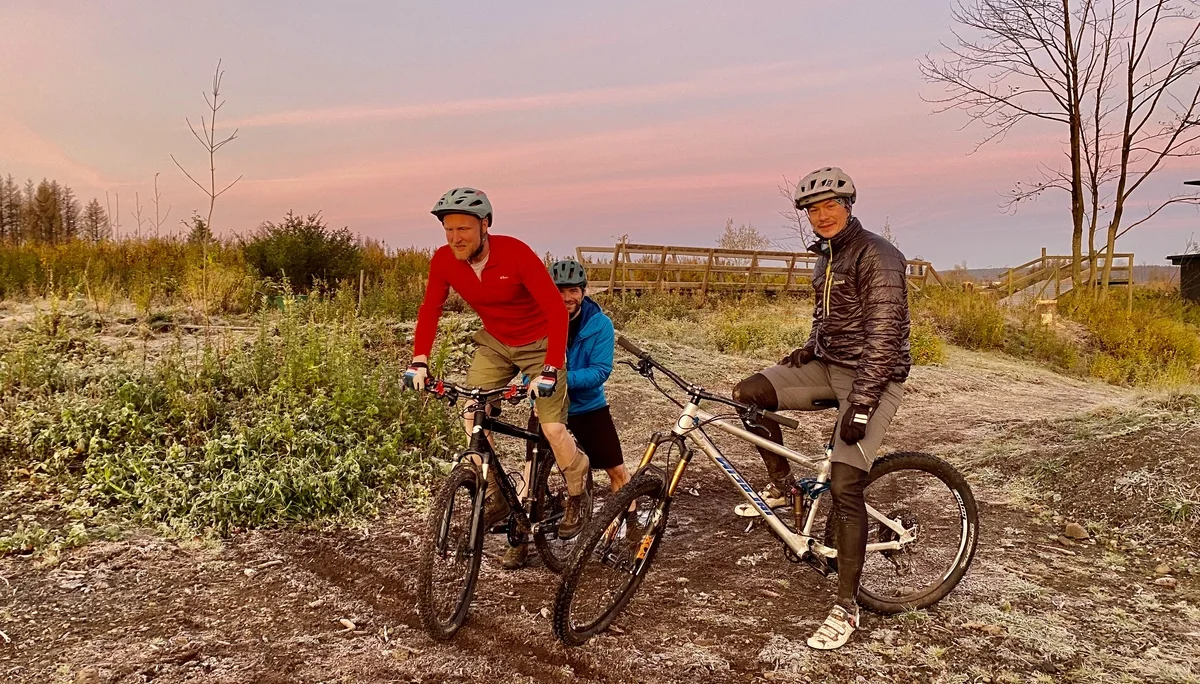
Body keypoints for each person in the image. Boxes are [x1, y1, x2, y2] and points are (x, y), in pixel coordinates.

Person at [730, 167, 911, 650]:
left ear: (849, 205)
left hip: (876, 375)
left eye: (831, 205)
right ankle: (785, 488)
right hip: (830, 366)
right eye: (814, 209)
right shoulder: (825, 256)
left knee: (846, 485)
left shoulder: (879, 255)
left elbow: (885, 336)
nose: (822, 215)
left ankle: (847, 608)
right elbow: (826, 314)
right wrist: (811, 347)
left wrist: (861, 405)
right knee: (750, 395)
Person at [403, 187, 592, 541]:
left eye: (464, 229)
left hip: (540, 343)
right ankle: (496, 497)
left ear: (484, 225)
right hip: (496, 343)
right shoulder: (444, 260)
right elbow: (431, 309)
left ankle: (577, 485)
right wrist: (420, 360)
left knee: (552, 430)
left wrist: (551, 366)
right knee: (471, 414)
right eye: (449, 229)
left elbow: (555, 309)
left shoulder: (515, 253)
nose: (455, 238)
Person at [502, 259, 630, 569]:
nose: (566, 298)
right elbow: (529, 365)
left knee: (616, 470)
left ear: (584, 292)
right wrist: (524, 385)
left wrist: (558, 380)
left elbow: (599, 371)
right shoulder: (540, 321)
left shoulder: (600, 325)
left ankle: (625, 531)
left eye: (573, 290)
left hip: (587, 406)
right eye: (559, 291)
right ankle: (519, 539)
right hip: (547, 407)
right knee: (531, 475)